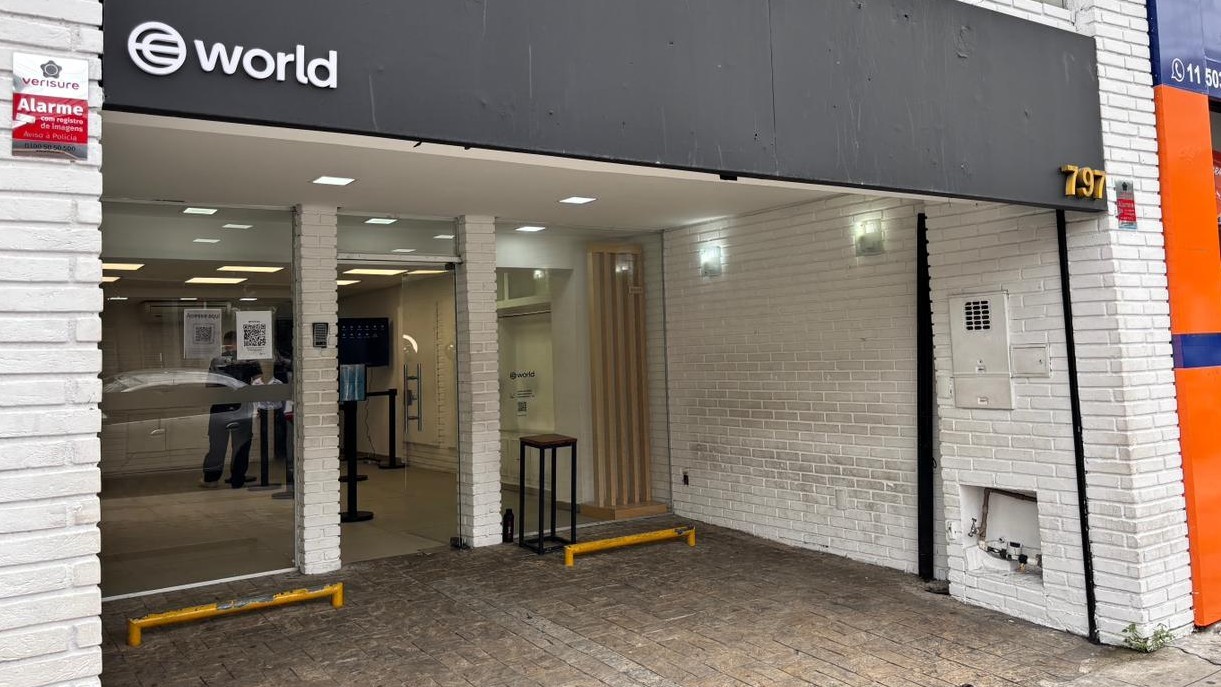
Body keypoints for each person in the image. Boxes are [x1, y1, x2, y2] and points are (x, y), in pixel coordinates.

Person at [200, 331, 263, 488]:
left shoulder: (217, 360)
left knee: (217, 445)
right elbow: (258, 384)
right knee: (241, 445)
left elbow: (209, 385)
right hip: (243, 407)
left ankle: (211, 479)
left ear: (226, 343)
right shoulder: (251, 360)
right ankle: (237, 479)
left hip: (220, 407)